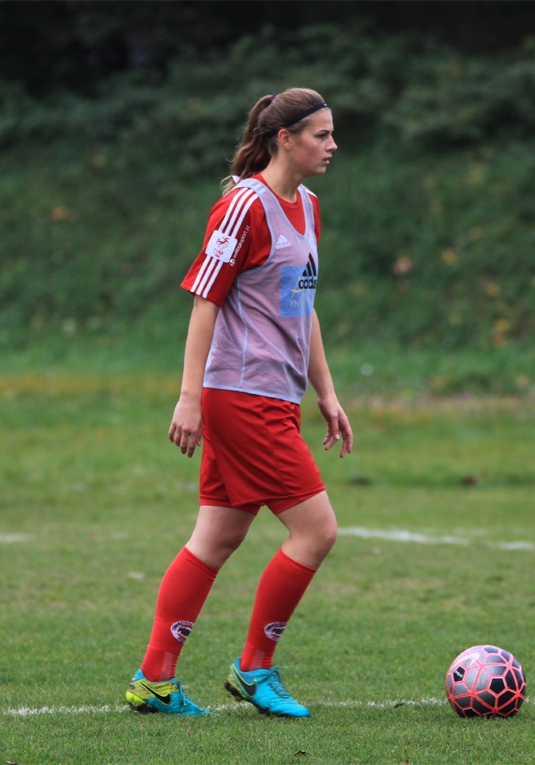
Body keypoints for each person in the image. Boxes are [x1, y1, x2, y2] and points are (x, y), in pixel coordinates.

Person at [125, 88, 352, 718]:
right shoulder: (243, 205)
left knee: (216, 537)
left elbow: (302, 307)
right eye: (321, 134)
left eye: (332, 133)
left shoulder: (308, 207)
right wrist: (189, 398)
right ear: (285, 139)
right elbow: (205, 301)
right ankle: (254, 668)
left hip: (275, 396)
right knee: (317, 531)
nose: (332, 145)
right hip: (241, 395)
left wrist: (326, 392)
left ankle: (154, 680)